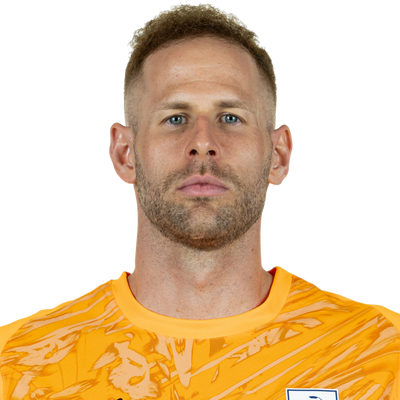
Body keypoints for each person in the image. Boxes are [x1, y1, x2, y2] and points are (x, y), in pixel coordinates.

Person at [1, 2, 399, 399]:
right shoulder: (18, 361)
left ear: (279, 155)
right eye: (175, 118)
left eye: (230, 118)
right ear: (123, 153)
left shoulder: (380, 348)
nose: (204, 143)